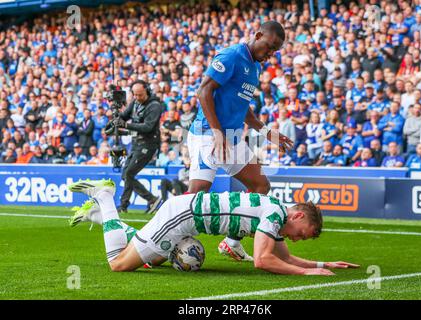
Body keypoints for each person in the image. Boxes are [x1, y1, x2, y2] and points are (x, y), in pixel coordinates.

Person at [68, 179, 359, 275]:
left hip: (186, 219)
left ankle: (101, 217)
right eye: (301, 235)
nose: (296, 240)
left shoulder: (276, 212)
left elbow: (283, 257)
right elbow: (262, 260)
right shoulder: (274, 215)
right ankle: (106, 201)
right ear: (297, 218)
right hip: (180, 218)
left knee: (154, 259)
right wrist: (307, 272)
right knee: (117, 264)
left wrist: (322, 262)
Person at [187, 21, 293, 261]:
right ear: (257, 36)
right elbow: (203, 91)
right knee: (196, 195)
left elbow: (243, 108)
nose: (270, 53)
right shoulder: (232, 55)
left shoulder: (255, 67)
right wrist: (216, 131)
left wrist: (266, 131)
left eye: (275, 51)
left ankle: (231, 243)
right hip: (207, 134)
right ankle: (160, 244)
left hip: (232, 137)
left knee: (260, 186)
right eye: (269, 46)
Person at [112, 80, 164, 214]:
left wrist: (126, 125)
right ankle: (151, 199)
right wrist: (115, 111)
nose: (137, 98)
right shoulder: (135, 103)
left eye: (140, 95)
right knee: (126, 175)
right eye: (134, 95)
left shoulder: (155, 106)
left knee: (129, 173)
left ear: (147, 91)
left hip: (148, 144)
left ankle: (124, 205)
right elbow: (123, 116)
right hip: (136, 143)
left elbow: (148, 127)